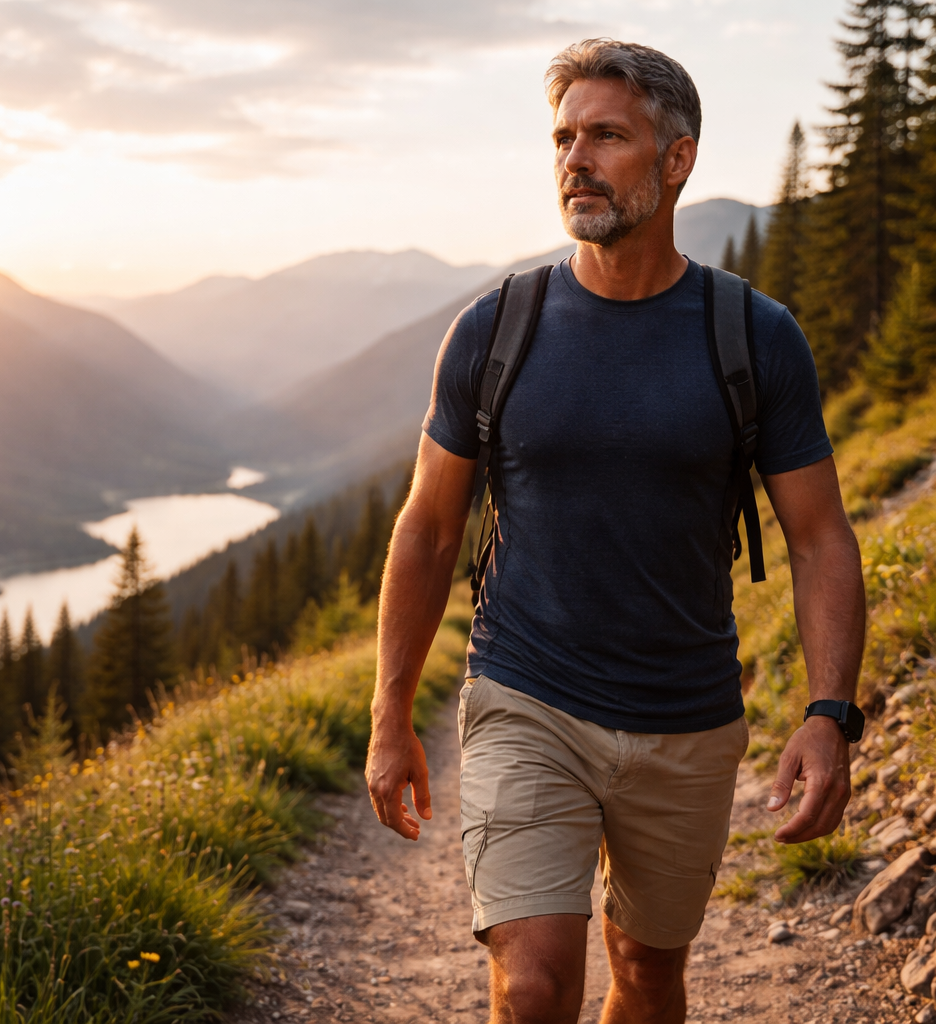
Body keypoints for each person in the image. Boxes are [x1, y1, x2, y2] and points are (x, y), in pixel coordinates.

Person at [365, 38, 866, 1024]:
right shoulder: (496, 329)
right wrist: (390, 715)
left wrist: (829, 714)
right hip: (527, 696)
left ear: (676, 159)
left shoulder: (753, 338)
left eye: (606, 136)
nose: (574, 160)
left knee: (644, 969)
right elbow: (426, 530)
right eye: (562, 137)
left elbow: (819, 538)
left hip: (688, 714)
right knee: (538, 980)